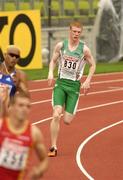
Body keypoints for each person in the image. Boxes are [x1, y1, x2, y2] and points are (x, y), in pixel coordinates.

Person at [47, 21, 96, 157]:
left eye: (78, 32)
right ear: (70, 31)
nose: (76, 34)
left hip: (74, 86)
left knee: (67, 120)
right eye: (74, 31)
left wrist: (87, 81)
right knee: (56, 114)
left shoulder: (84, 49)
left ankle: (68, 109)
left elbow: (93, 65)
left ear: (81, 33)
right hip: (61, 84)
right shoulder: (61, 46)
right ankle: (53, 147)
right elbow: (53, 60)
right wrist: (51, 72)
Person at [0, 89, 48, 179]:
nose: (24, 109)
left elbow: (44, 160)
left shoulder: (34, 133)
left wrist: (39, 171)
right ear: (12, 107)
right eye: (21, 105)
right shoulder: (1, 126)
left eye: (28, 106)